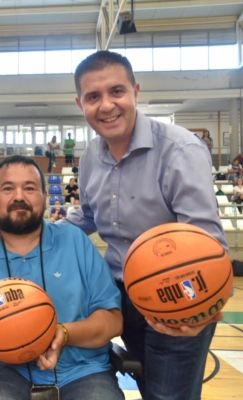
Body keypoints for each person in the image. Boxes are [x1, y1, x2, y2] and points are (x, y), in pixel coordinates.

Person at [62, 50, 228, 400]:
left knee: (169, 396)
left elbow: (208, 242)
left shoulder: (180, 150)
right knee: (146, 385)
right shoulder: (91, 156)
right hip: (121, 297)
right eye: (94, 97)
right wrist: (42, 233)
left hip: (175, 295)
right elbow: (88, 216)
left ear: (135, 91)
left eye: (117, 91)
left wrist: (200, 307)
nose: (106, 105)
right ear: (81, 104)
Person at [0, 155, 124, 400]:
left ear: (45, 199)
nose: (19, 197)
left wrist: (62, 333)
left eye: (29, 188)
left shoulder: (76, 242)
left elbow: (112, 319)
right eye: (7, 188)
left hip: (81, 371)